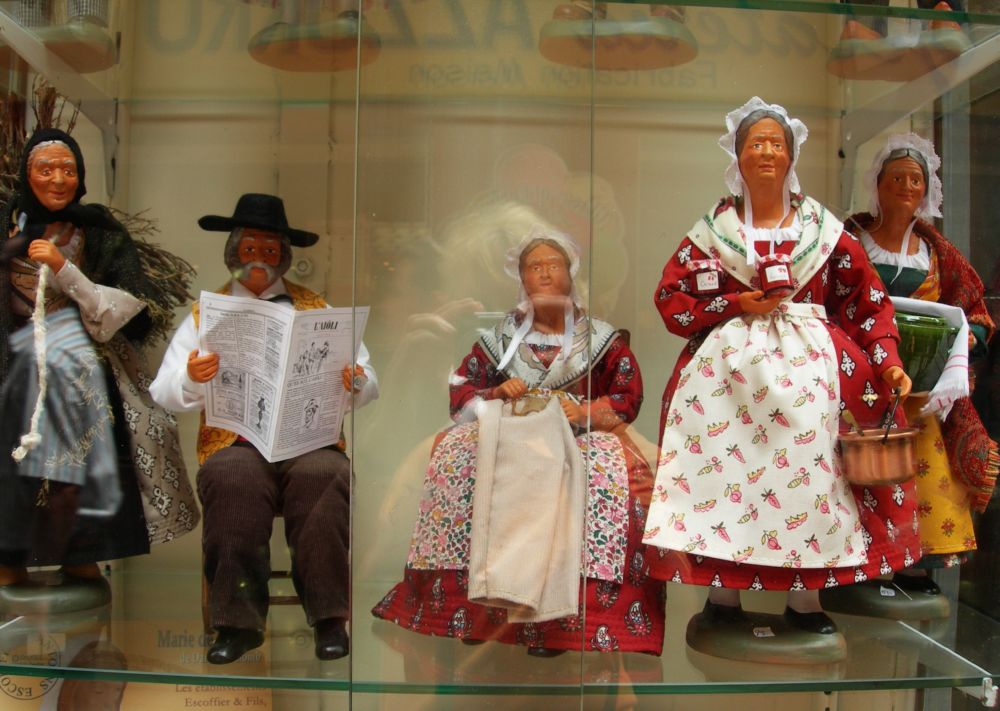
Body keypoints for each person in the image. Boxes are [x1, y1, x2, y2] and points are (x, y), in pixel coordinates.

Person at [643, 98, 919, 637]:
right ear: (738, 157)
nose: (766, 152)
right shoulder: (714, 231)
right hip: (725, 380)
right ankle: (722, 596)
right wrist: (735, 304)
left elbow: (866, 300)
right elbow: (672, 299)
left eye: (775, 143)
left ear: (791, 156)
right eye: (756, 143)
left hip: (812, 376)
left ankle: (806, 600)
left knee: (812, 479)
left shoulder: (822, 229)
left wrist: (887, 361)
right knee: (722, 478)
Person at [372, 227, 665, 656]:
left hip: (579, 439)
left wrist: (584, 412)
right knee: (457, 460)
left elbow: (627, 396)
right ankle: (479, 612)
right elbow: (461, 390)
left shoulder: (601, 340)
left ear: (570, 273)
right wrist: (495, 393)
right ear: (521, 278)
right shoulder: (499, 340)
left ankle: (560, 622)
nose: (544, 274)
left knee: (604, 474)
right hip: (506, 434)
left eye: (553, 265)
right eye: (534, 266)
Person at [149, 193, 378, 663]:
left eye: (270, 250)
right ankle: (238, 624)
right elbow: (162, 391)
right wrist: (192, 377)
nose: (259, 259)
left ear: (284, 256)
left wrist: (355, 381)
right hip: (237, 441)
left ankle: (329, 617)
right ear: (233, 252)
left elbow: (368, 380)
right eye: (249, 248)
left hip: (307, 439)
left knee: (324, 475)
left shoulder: (316, 307)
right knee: (231, 478)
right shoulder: (205, 315)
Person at [0, 128, 196, 588]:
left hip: (84, 363)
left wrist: (65, 270)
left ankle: (81, 553)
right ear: (27, 174)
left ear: (81, 176)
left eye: (67, 170)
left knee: (87, 462)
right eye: (45, 169)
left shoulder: (101, 232)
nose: (57, 179)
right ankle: (9, 556)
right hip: (13, 362)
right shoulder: (6, 224)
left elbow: (139, 308)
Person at [850, 133, 997, 593]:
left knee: (922, 472)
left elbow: (974, 308)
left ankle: (912, 562)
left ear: (927, 189)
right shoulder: (850, 242)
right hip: (860, 382)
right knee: (860, 469)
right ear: (878, 184)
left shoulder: (938, 253)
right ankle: (862, 561)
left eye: (915, 179)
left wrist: (966, 336)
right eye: (896, 178)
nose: (906, 187)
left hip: (920, 390)